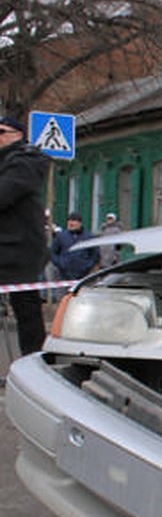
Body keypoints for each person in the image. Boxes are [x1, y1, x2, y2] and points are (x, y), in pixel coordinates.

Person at [0, 115, 51, 355]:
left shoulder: (25, 161)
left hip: (19, 249)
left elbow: (5, 194)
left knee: (26, 310)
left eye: (1, 131)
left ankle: (34, 363)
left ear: (17, 135)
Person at [50, 212, 99, 281]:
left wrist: (87, 266)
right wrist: (60, 263)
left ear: (79, 223)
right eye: (69, 221)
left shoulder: (89, 237)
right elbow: (53, 252)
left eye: (73, 221)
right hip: (63, 275)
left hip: (83, 276)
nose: (70, 223)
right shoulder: (61, 236)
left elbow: (95, 254)